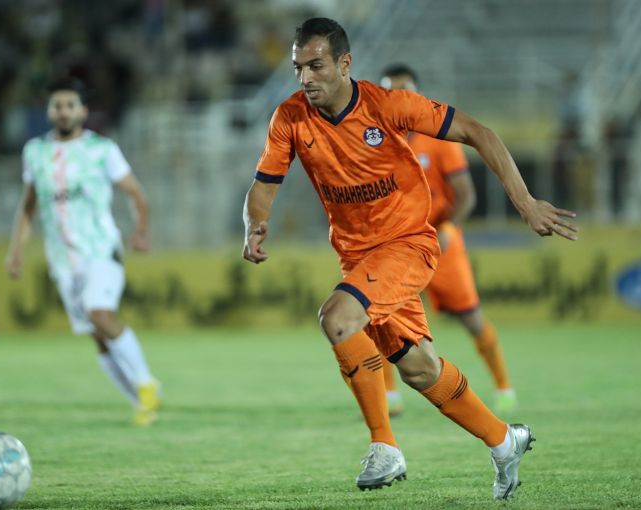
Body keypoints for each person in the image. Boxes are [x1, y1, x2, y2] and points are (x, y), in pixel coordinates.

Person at [242, 18, 577, 500]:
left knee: (337, 318)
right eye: (298, 68)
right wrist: (254, 225)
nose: (305, 78)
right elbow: (264, 184)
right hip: (358, 258)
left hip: (407, 244)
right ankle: (505, 441)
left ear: (345, 63)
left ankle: (384, 446)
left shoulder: (388, 105)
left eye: (316, 66)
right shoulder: (290, 117)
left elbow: (478, 131)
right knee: (420, 368)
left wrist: (524, 202)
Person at [6, 78, 160, 427]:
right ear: (49, 112)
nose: (63, 111)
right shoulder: (35, 152)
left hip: (100, 249)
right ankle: (140, 403)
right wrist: (15, 249)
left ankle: (146, 382)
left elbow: (135, 193)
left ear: (83, 111)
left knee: (99, 313)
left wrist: (141, 230)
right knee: (98, 336)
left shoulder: (102, 149)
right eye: (57, 106)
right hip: (62, 259)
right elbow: (28, 205)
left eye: (70, 105)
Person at [379, 64, 516, 418]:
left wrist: (450, 228)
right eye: (391, 91)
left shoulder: (438, 139)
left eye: (406, 90)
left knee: (471, 317)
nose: (399, 97)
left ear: (418, 95)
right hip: (396, 245)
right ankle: (389, 397)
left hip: (439, 243)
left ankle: (504, 387)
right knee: (380, 317)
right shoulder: (376, 141)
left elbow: (466, 195)